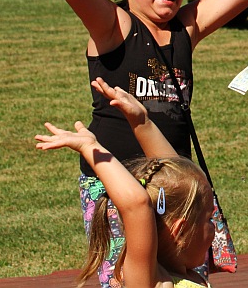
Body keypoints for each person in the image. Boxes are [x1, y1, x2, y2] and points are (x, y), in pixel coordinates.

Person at [35, 0, 248, 286]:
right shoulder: (116, 26)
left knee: (183, 280)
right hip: (119, 187)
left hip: (175, 186)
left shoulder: (185, 27)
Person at [36, 77, 216, 288]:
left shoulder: (189, 275)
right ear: (180, 230)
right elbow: (137, 206)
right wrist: (91, 148)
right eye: (208, 219)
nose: (214, 227)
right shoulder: (153, 282)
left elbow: (176, 173)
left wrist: (142, 124)